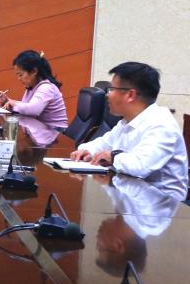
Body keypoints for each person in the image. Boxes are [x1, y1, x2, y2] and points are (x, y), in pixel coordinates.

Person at [71, 62, 188, 200]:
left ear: (130, 95)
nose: (107, 95)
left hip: (162, 205)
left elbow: (140, 166)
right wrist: (87, 150)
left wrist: (113, 157)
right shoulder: (126, 121)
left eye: (111, 89)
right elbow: (104, 143)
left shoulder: (161, 124)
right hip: (131, 196)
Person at [0, 50, 68, 128]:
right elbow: (26, 106)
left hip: (55, 132)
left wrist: (14, 104)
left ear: (34, 71)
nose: (19, 78)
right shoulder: (32, 87)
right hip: (41, 130)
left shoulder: (46, 87)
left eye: (20, 75)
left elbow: (33, 109)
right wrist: (7, 101)